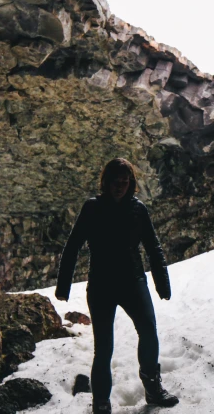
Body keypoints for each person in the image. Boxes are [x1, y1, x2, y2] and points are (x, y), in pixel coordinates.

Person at [54, 158, 179, 413]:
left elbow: (153, 247)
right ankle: (101, 402)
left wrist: (162, 283)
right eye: (116, 181)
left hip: (133, 281)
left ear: (131, 183)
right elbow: (73, 245)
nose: (120, 186)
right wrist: (63, 285)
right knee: (104, 347)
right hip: (101, 286)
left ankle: (153, 390)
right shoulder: (92, 208)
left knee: (149, 333)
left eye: (125, 181)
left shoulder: (138, 209)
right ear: (107, 182)